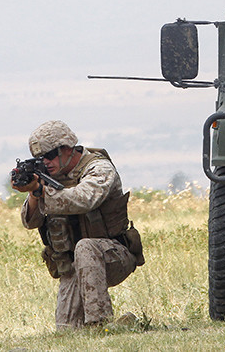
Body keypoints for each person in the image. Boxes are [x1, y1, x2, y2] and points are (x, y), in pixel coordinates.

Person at [12, 120, 143, 330]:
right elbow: (30, 221)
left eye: (50, 155)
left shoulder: (99, 168)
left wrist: (44, 191)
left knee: (86, 247)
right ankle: (127, 324)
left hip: (113, 256)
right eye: (40, 158)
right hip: (73, 266)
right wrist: (34, 193)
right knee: (67, 331)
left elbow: (85, 199)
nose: (45, 162)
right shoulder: (49, 177)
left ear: (67, 149)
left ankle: (100, 324)